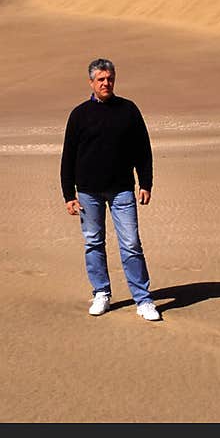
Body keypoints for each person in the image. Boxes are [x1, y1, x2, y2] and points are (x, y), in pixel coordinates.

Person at [60, 57, 161, 321]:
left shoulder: (128, 110)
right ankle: (101, 293)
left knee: (131, 244)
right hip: (88, 192)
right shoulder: (79, 114)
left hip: (122, 190)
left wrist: (146, 183)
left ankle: (143, 299)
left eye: (110, 79)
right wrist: (68, 195)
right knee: (93, 242)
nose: (106, 83)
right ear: (91, 82)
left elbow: (143, 149)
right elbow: (68, 156)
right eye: (101, 79)